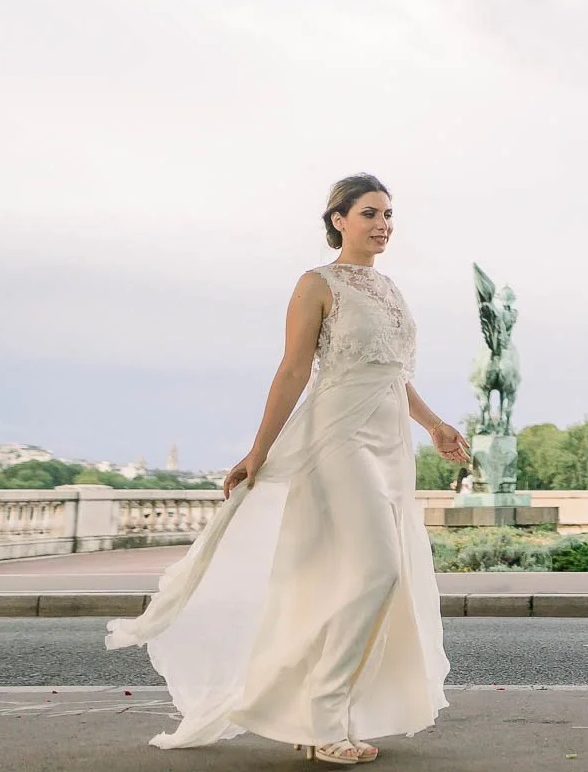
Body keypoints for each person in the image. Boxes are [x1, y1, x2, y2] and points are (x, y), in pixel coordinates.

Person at [106, 173, 470, 765]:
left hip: (389, 443)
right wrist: (259, 450)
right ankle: (325, 721)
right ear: (338, 220)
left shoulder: (390, 288)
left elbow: (394, 373)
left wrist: (432, 425)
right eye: (371, 213)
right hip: (338, 437)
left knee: (361, 576)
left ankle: (316, 713)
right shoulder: (315, 284)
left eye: (389, 215)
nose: (383, 225)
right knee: (379, 570)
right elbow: (293, 370)